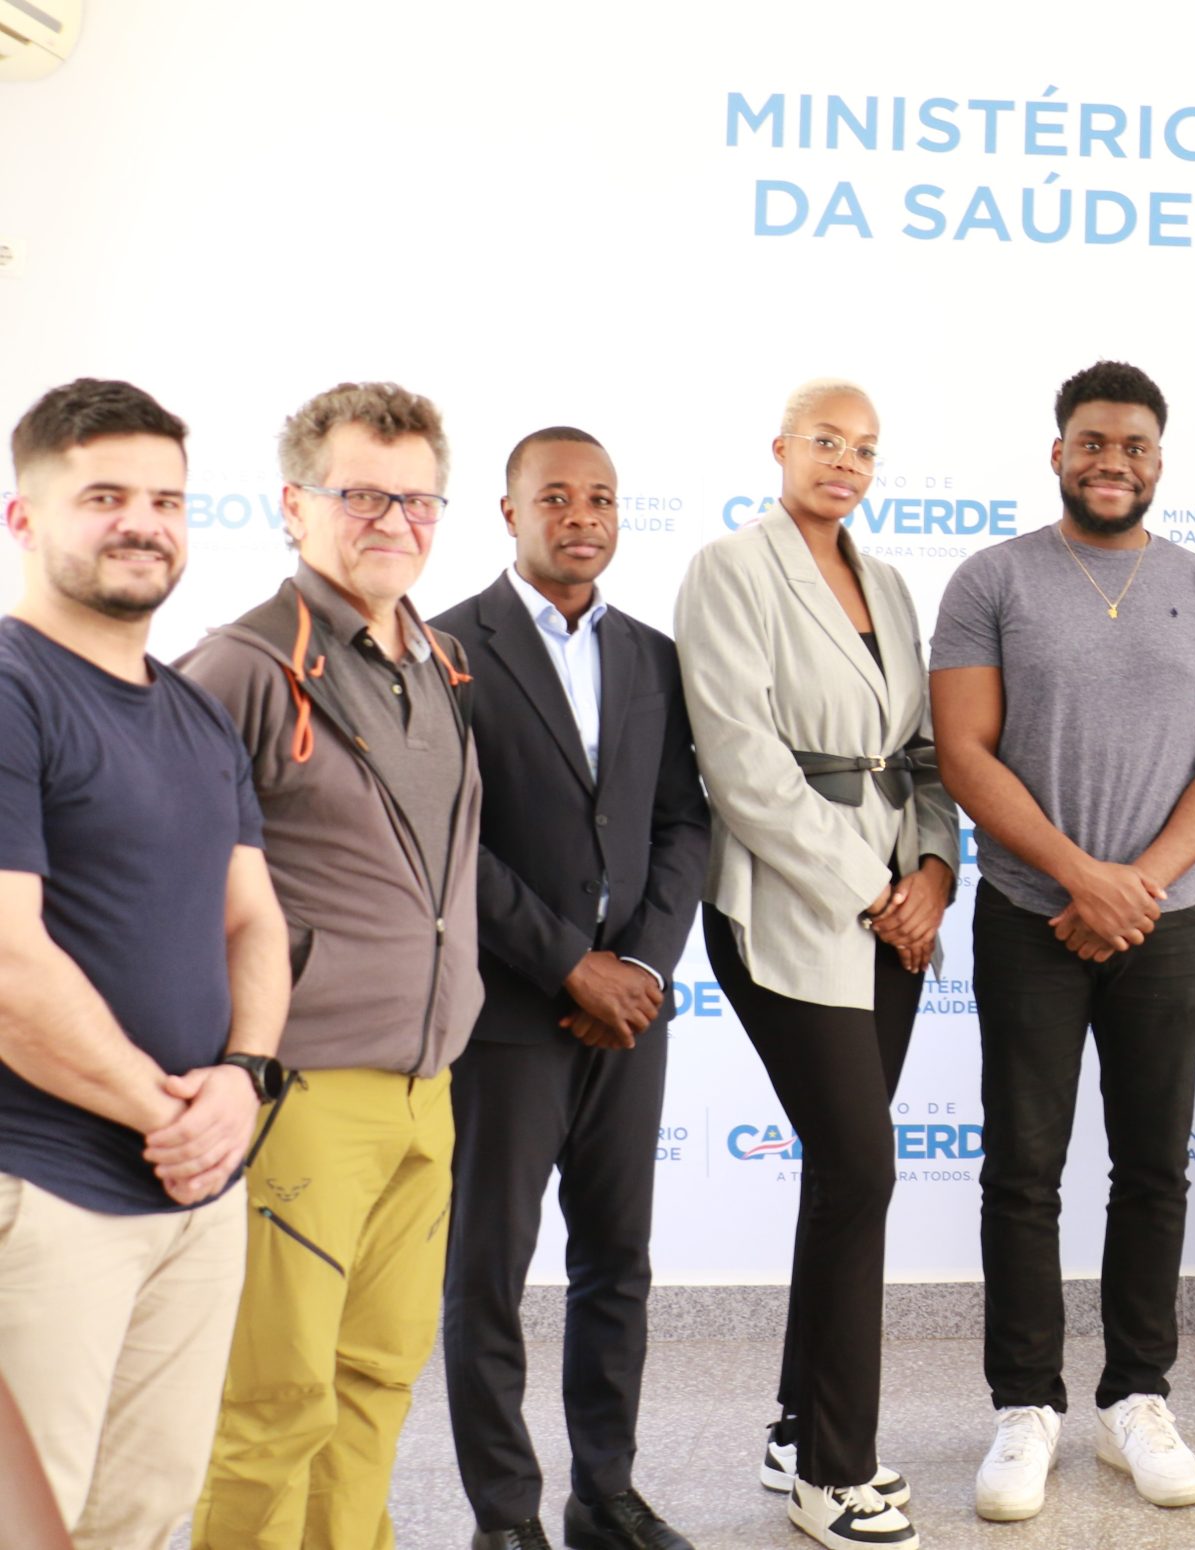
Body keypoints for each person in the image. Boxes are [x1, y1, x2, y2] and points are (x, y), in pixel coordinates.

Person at [932, 361, 1195, 1519]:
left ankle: (1136, 1397)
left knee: (1154, 1166)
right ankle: (1026, 1403)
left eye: (1133, 444)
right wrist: (1081, 878)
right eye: (1092, 442)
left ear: (1158, 459)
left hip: (1169, 924)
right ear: (1058, 453)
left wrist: (1139, 884)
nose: (1112, 460)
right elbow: (963, 750)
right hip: (1032, 915)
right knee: (1022, 1171)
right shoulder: (991, 577)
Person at [180, 382, 486, 1548]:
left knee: (374, 1379)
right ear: (295, 505)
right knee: (275, 1399)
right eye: (362, 494)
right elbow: (165, 879)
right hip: (301, 1089)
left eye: (417, 500)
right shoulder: (244, 665)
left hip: (426, 1088)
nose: (393, 521)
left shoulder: (442, 659)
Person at [0, 379, 290, 1550]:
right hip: (46, 1183)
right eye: (104, 496)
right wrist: (170, 1116)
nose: (143, 522)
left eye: (166, 499)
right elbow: (8, 963)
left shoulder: (193, 710)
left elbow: (253, 920)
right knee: (32, 1513)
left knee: (143, 1511)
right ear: (24, 515)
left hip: (195, 1190)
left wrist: (245, 1077)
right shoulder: (13, 691)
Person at [675, 380, 956, 1550]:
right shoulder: (730, 569)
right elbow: (740, 764)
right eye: (826, 441)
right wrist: (868, 889)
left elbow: (924, 752)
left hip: (897, 909)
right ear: (781, 448)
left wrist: (931, 870)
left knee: (843, 1177)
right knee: (858, 1166)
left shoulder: (887, 582)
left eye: (865, 449)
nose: (846, 462)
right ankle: (832, 1475)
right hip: (787, 905)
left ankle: (798, 1425)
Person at [433, 427, 710, 1550]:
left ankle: (605, 1494)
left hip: (628, 1021)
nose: (581, 516)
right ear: (510, 512)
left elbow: (682, 822)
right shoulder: (448, 647)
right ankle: (505, 1516)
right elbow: (451, 842)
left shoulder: (652, 655)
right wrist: (568, 963)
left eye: (600, 497)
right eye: (555, 497)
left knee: (616, 1265)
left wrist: (639, 966)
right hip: (507, 1017)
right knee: (487, 1274)